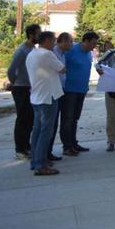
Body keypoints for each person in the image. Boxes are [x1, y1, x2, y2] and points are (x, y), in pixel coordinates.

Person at [25, 31, 65, 176]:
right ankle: (41, 165)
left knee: (37, 131)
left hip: (36, 96)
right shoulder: (47, 54)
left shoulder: (32, 54)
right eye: (53, 41)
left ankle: (35, 161)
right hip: (48, 96)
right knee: (45, 133)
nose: (55, 43)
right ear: (47, 41)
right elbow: (62, 69)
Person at [7, 23, 41, 160]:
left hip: (31, 88)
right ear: (31, 35)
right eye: (38, 33)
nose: (40, 35)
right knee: (22, 119)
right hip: (21, 88)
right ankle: (20, 150)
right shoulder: (22, 51)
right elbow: (11, 70)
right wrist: (16, 83)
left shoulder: (34, 49)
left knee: (30, 119)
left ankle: (27, 147)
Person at [62, 31, 99, 156]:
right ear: (86, 41)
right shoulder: (71, 50)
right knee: (68, 119)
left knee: (75, 119)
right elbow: (61, 66)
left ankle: (73, 143)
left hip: (81, 90)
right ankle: (67, 146)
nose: (94, 46)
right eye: (93, 43)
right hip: (69, 90)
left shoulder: (89, 54)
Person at [47, 32, 73, 161]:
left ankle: (51, 151)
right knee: (52, 122)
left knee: (60, 120)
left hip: (62, 89)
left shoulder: (63, 54)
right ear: (62, 42)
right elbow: (61, 70)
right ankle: (46, 152)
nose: (71, 44)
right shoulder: (53, 53)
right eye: (70, 42)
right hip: (54, 91)